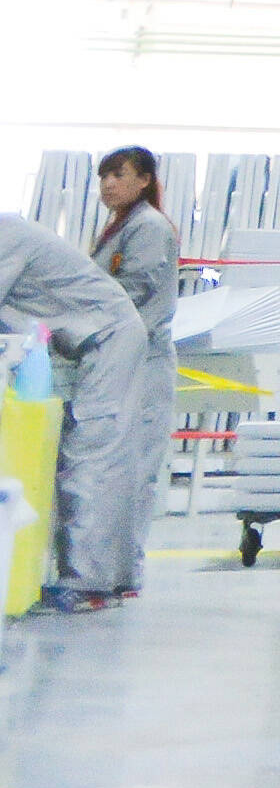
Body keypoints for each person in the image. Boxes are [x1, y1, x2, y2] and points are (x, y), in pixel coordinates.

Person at [0, 211, 158, 611]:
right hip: (87, 344)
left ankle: (89, 584)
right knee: (91, 455)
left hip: (109, 340)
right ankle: (111, 577)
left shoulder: (6, 235)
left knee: (92, 455)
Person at [87, 150, 177, 346]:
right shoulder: (121, 226)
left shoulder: (149, 225)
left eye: (118, 175)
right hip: (117, 341)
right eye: (104, 177)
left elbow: (134, 288)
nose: (108, 184)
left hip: (140, 348)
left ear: (144, 180)